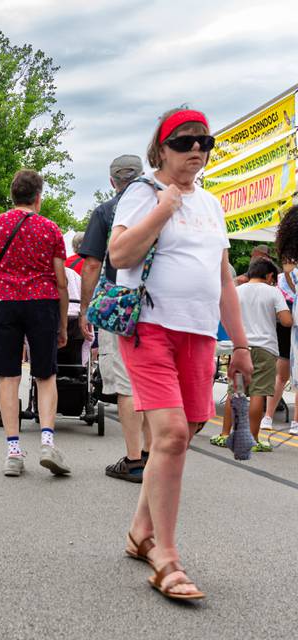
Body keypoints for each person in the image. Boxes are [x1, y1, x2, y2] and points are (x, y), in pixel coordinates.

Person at [109, 108, 252, 600]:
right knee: (169, 435)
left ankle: (139, 530)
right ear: (162, 149)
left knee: (186, 429)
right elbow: (119, 255)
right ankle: (165, 557)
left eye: (204, 142)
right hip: (149, 326)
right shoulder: (142, 193)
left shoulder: (212, 204)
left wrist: (241, 345)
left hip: (199, 335)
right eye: (185, 141)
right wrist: (163, 209)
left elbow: (223, 280)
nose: (197, 149)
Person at [0, 169, 70, 478]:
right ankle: (46, 441)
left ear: (13, 195)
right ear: (38, 198)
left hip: (5, 303)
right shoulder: (51, 230)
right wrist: (64, 324)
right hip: (42, 303)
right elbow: (61, 281)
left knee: (9, 375)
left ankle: (13, 451)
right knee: (45, 375)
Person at [78, 154, 152, 483]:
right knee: (154, 381)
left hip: (121, 306)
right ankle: (154, 456)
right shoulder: (160, 204)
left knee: (127, 384)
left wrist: (85, 310)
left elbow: (92, 265)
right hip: (160, 306)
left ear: (112, 182)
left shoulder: (106, 211)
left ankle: (135, 460)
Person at [212, 259, 291, 451]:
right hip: (265, 350)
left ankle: (224, 434)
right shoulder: (273, 292)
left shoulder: (237, 291)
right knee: (258, 393)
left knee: (236, 391)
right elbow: (287, 321)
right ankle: (253, 439)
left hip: (241, 349)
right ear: (270, 275)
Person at [261, 260, 298, 433]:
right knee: (281, 376)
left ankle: (269, 417)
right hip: (286, 328)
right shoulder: (283, 278)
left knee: (280, 376)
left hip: (283, 327)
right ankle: (269, 417)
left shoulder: (282, 278)